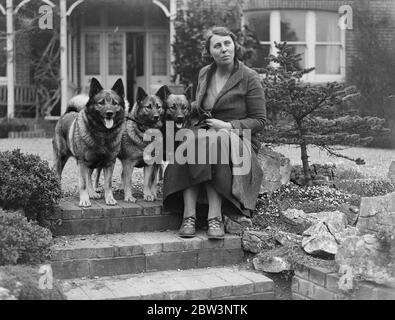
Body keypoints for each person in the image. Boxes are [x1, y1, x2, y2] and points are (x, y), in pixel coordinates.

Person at [163, 26, 266, 239]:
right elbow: (198, 107)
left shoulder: (249, 77)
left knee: (212, 142)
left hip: (239, 137)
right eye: (217, 45)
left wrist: (228, 127)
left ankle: (214, 217)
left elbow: (259, 120)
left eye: (227, 44)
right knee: (189, 141)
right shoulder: (204, 73)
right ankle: (188, 216)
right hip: (207, 130)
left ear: (235, 46)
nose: (224, 49)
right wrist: (175, 108)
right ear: (210, 51)